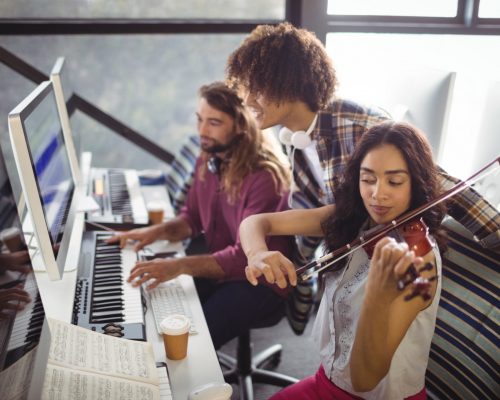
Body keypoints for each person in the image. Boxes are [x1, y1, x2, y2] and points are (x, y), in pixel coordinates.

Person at [226, 22, 499, 260]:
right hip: (342, 264)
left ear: (291, 84)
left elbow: (438, 182)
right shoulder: (293, 137)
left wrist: (496, 235)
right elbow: (317, 217)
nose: (247, 100)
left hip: (388, 263)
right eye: (246, 88)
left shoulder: (361, 127)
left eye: (258, 88)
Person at [240, 121, 447, 399]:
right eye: (368, 178)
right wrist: (257, 253)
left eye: (394, 181)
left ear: (417, 183)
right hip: (326, 382)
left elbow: (365, 379)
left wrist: (377, 296)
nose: (377, 194)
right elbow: (256, 222)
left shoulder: (419, 262)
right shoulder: (355, 218)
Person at [109, 81, 293, 349]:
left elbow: (245, 255)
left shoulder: (264, 175)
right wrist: (152, 232)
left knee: (192, 342)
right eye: (200, 120)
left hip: (260, 282)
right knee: (153, 303)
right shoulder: (209, 155)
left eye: (214, 123)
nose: (202, 131)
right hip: (223, 268)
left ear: (241, 125)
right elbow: (191, 218)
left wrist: (180, 265)